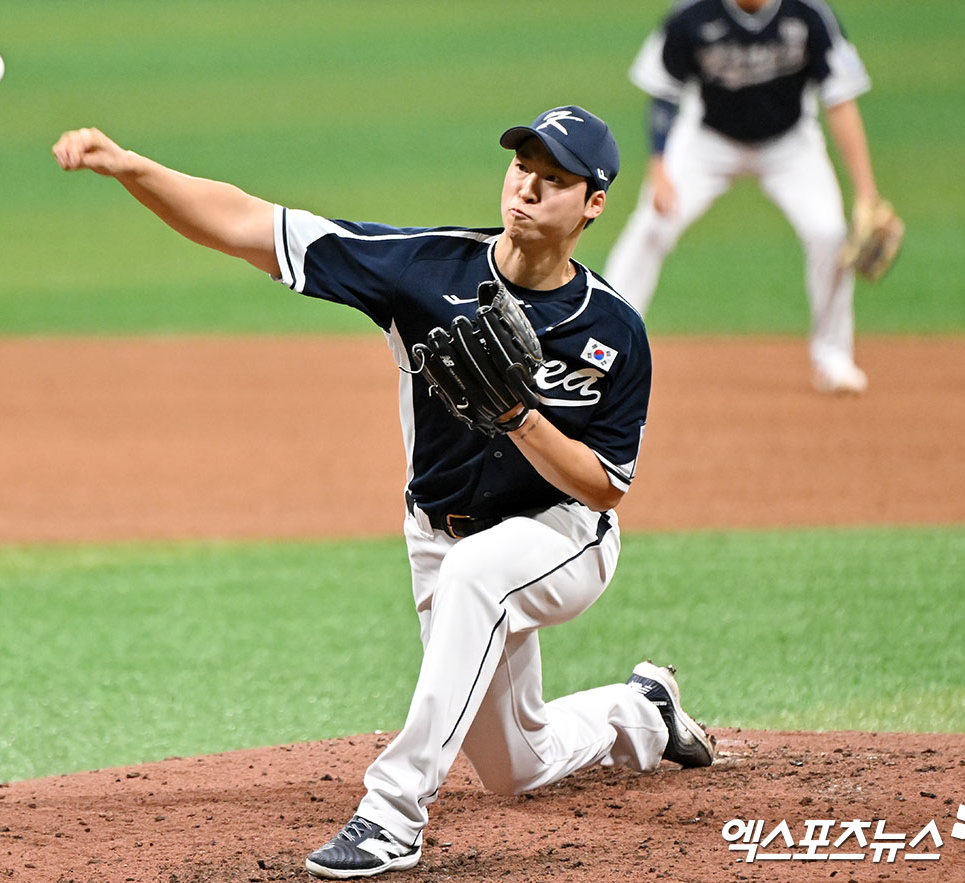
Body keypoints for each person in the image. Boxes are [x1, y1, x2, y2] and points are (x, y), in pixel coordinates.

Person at [52, 105, 715, 880]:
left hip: (563, 535)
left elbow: (605, 488)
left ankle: (391, 814)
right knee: (517, 763)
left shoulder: (612, 330)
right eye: (521, 169)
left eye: (554, 179)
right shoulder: (424, 269)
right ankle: (642, 713)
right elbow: (248, 224)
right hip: (440, 538)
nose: (528, 189)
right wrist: (133, 167)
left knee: (481, 576)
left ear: (592, 203)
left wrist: (519, 420)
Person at [602, 0, 885, 394]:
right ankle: (607, 340)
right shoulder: (692, 14)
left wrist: (866, 192)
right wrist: (659, 164)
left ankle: (833, 358)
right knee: (652, 225)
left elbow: (839, 99)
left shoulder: (809, 14)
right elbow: (664, 92)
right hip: (707, 141)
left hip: (790, 145)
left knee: (829, 233)